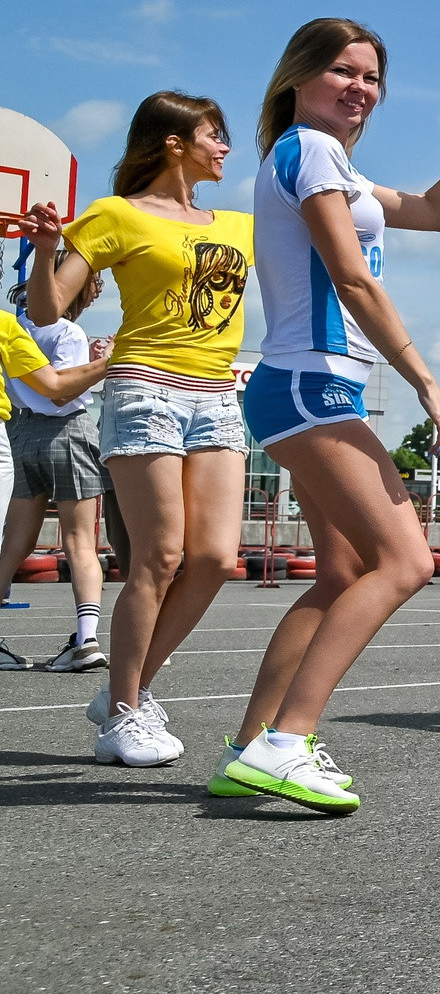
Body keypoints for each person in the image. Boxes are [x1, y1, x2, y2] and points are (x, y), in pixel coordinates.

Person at [212, 18, 440, 813]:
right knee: (406, 561)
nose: (360, 88)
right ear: (298, 77)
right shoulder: (307, 150)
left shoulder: (330, 161)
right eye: (343, 70)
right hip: (310, 384)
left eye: (372, 77)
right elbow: (352, 277)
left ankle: (249, 744)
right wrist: (427, 382)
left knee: (343, 574)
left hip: (304, 387)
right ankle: (286, 743)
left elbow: (438, 210)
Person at [28, 93, 253, 763]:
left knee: (215, 559)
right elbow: (47, 309)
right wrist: (46, 250)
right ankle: (123, 715)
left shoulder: (239, 225)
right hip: (145, 387)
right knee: (158, 556)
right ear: (174, 143)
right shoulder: (116, 214)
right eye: (215, 134)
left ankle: (127, 689)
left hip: (218, 394)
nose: (226, 147)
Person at [0, 266, 113, 672]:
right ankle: (86, 639)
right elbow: (61, 392)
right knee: (80, 542)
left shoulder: (16, 327)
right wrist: (106, 362)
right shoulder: (69, 332)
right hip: (67, 432)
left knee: (14, 543)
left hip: (21, 432)